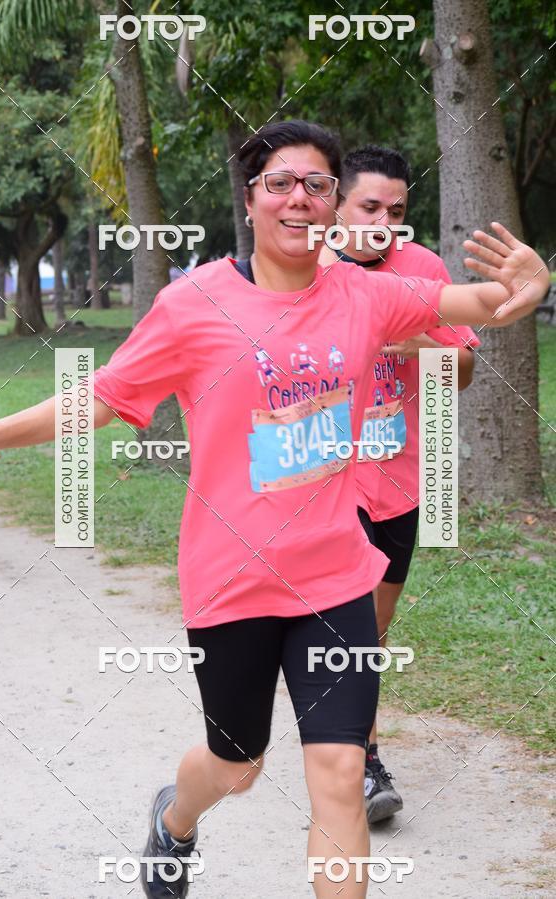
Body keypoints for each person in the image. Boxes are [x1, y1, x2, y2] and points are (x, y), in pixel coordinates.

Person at [0, 120, 549, 899]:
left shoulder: (366, 295)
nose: (299, 198)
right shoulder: (193, 303)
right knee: (237, 765)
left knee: (339, 770)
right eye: (280, 183)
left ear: (333, 203)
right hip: (233, 580)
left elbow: (468, 301)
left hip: (336, 576)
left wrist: (527, 285)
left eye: (317, 185)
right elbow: (102, 398)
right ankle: (174, 818)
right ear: (250, 199)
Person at [319, 145, 480, 824]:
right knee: (350, 625)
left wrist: (421, 344)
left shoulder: (423, 271)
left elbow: (463, 369)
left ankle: (345, 744)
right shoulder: (305, 269)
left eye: (397, 210)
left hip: (398, 480)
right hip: (325, 480)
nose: (384, 222)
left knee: (373, 630)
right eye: (369, 208)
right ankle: (361, 762)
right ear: (337, 206)